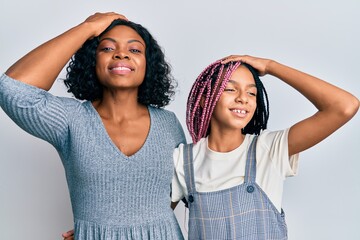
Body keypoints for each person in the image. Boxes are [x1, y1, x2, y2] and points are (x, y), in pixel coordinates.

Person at [0, 12, 186, 239]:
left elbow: (179, 188)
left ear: (149, 65)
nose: (121, 54)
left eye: (135, 50)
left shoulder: (168, 124)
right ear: (92, 61)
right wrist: (88, 27)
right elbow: (13, 91)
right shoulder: (71, 120)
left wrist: (138, 226)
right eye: (107, 48)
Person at [170, 55, 359, 239]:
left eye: (251, 93)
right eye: (230, 89)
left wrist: (270, 66)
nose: (243, 98)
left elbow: (345, 106)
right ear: (204, 99)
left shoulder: (269, 149)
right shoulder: (183, 160)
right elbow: (153, 219)